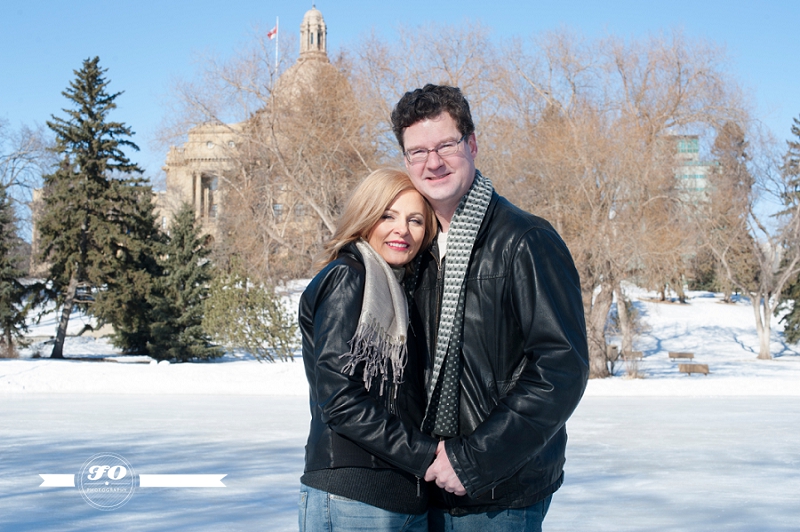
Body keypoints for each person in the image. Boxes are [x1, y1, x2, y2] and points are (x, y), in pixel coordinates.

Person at [390, 84, 590, 531]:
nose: (433, 162)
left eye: (446, 145)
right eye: (418, 151)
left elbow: (561, 368)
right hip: (423, 486)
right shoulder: (414, 249)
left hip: (499, 494)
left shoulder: (525, 240)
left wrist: (474, 458)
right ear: (405, 162)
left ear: (473, 144)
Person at [298, 168, 440, 531]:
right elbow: (339, 399)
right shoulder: (349, 277)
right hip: (355, 496)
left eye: (415, 221)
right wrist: (425, 454)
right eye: (387, 216)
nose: (402, 231)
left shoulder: (400, 291)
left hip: (404, 494)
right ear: (365, 217)